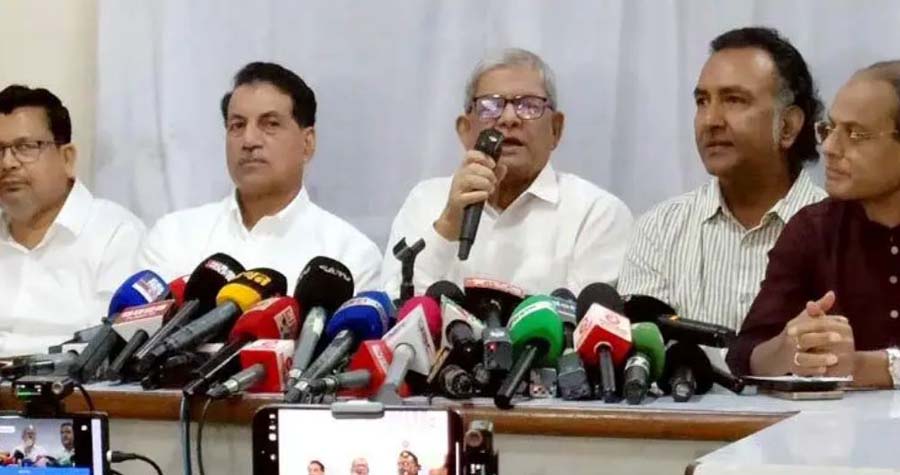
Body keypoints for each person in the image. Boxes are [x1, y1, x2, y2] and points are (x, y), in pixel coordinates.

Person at [618, 27, 826, 330]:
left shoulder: (841, 233)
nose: (710, 121)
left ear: (787, 126)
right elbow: (643, 348)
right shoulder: (659, 230)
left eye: (734, 100)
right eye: (702, 101)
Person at [381, 48, 632, 297]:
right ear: (465, 130)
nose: (509, 119)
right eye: (490, 106)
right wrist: (448, 224)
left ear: (555, 129)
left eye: (529, 106)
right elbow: (396, 308)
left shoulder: (597, 213)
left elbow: (586, 319)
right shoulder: (425, 200)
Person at [726, 60, 900, 389]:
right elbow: (745, 353)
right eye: (829, 129)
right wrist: (788, 350)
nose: (830, 148)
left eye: (855, 134)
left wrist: (866, 367)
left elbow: (857, 367)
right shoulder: (813, 230)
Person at [139, 62, 382, 289]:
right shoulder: (174, 238)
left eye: (270, 124)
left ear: (307, 143)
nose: (249, 140)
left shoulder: (349, 257)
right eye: (237, 125)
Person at [0, 85, 145, 356]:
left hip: (67, 382)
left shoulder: (116, 234)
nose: (8, 163)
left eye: (25, 147)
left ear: (67, 158)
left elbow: (114, 347)